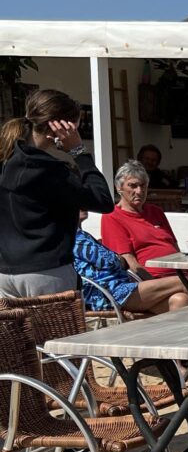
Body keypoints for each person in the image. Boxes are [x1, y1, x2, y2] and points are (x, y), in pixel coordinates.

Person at [0, 91, 114, 297]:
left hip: (6, 274)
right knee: (63, 332)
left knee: (18, 332)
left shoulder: (7, 160)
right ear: (61, 127)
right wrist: (79, 151)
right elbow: (103, 201)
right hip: (47, 273)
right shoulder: (49, 170)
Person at [101, 161, 188, 301]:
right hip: (157, 281)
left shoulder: (156, 212)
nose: (139, 191)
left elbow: (175, 249)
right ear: (119, 188)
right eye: (132, 186)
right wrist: (154, 284)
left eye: (143, 186)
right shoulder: (113, 217)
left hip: (184, 275)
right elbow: (130, 262)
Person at [74, 212, 188, 314]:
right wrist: (116, 257)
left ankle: (172, 339)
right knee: (182, 282)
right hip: (111, 294)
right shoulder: (74, 237)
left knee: (180, 300)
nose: (82, 204)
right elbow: (111, 262)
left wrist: (114, 256)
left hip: (121, 289)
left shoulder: (81, 235)